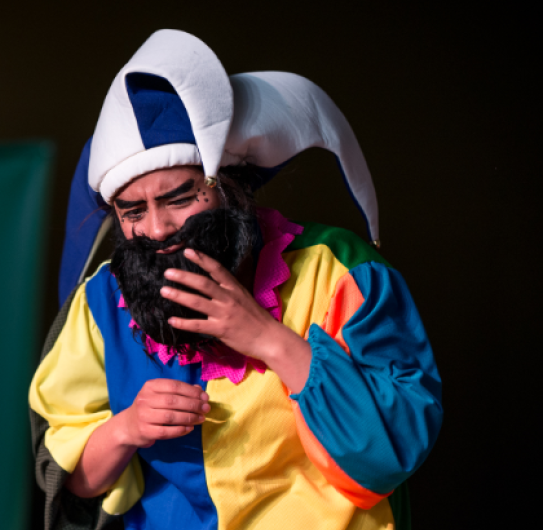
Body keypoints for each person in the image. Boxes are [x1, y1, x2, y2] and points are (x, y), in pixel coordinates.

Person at [29, 30, 442, 530]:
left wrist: (267, 339)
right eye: (132, 210)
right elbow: (68, 481)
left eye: (180, 198)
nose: (156, 230)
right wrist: (125, 429)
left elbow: (393, 450)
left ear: (230, 186)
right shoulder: (101, 302)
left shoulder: (339, 270)